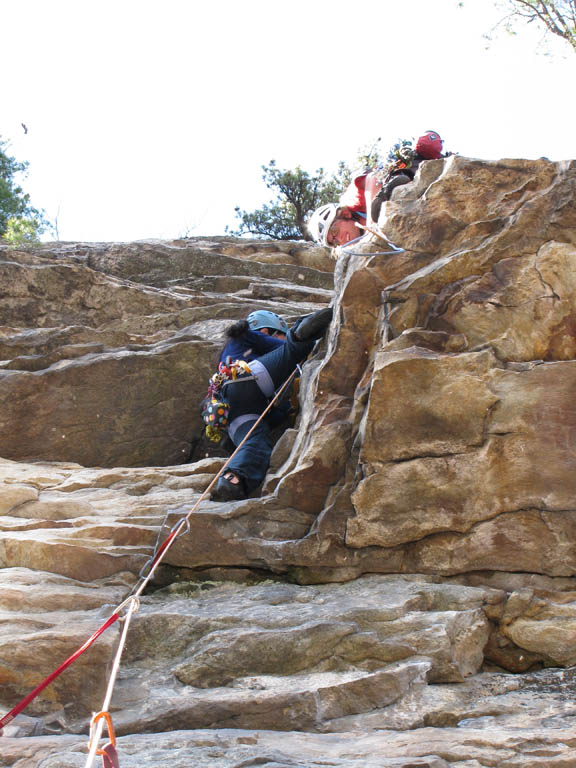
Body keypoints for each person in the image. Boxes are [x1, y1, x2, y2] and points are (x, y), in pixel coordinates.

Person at [210, 307, 333, 501]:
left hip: (232, 414)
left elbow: (271, 416)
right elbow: (282, 351)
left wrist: (286, 411)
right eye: (280, 335)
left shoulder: (230, 351)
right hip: (249, 377)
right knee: (294, 349)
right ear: (267, 331)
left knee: (256, 443)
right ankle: (303, 329)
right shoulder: (251, 337)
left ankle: (232, 481)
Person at [308, 131, 449, 246]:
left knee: (399, 182)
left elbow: (372, 179)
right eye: (335, 242)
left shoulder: (350, 201)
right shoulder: (357, 244)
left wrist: (371, 226)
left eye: (335, 231)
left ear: (345, 214)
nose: (340, 240)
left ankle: (391, 188)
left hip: (407, 170)